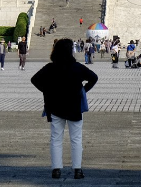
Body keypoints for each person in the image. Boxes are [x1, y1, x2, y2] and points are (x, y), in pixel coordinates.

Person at [31, 38, 98, 180]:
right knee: (76, 139)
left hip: (55, 106)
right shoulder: (77, 67)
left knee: (56, 138)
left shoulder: (50, 67)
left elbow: (34, 80)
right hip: (74, 106)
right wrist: (83, 90)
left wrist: (47, 90)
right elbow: (94, 77)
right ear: (70, 51)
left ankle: (56, 169)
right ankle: (77, 170)